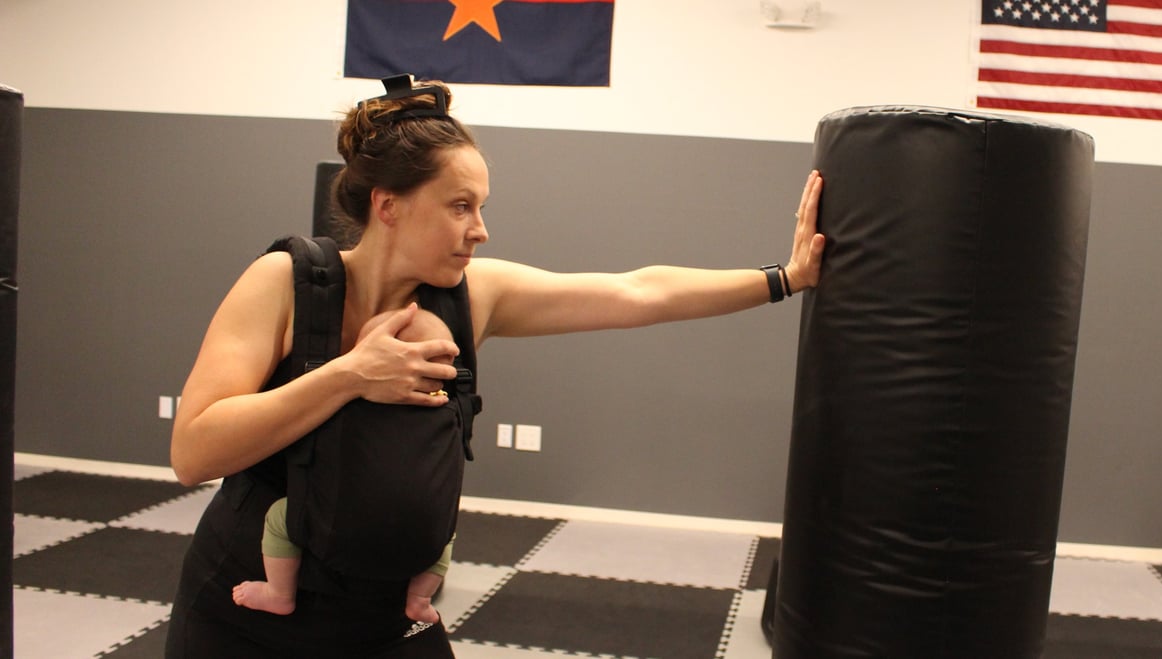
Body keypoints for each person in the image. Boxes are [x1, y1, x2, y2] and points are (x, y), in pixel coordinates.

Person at [166, 75, 824, 658]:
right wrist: (350, 374)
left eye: (481, 206)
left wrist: (785, 278)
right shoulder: (284, 282)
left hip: (383, 619)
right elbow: (194, 451)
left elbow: (638, 293)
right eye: (460, 206)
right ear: (387, 205)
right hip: (245, 615)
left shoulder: (473, 297)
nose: (481, 229)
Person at [231, 308, 459, 626]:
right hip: (421, 542)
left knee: (278, 518)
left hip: (338, 536)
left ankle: (279, 594)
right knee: (447, 529)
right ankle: (419, 599)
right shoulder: (446, 415)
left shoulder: (344, 407)